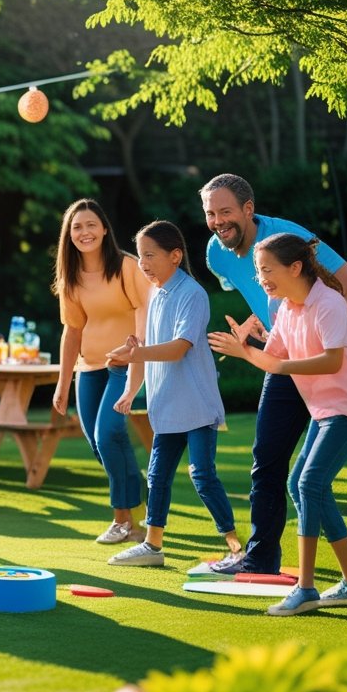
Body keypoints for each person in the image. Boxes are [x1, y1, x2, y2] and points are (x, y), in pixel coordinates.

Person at [199, 174, 347, 574]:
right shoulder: (216, 252)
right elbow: (266, 294)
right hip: (280, 350)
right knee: (267, 459)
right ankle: (261, 558)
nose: (218, 221)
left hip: (318, 360)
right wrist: (254, 324)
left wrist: (333, 341)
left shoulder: (287, 238)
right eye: (210, 213)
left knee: (308, 480)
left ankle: (343, 576)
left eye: (226, 211)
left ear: (248, 209)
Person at [105, 221, 242, 567]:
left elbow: (179, 347)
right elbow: (147, 347)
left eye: (150, 255)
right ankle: (153, 546)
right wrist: (131, 388)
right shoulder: (155, 294)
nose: (144, 263)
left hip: (196, 404)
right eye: (140, 257)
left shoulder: (193, 294)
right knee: (158, 475)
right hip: (165, 403)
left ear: (175, 256)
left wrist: (138, 354)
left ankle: (237, 548)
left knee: (202, 474)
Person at [50, 199, 151, 544]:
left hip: (123, 362)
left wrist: (136, 353)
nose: (84, 232)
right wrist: (63, 382)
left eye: (91, 224)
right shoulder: (71, 276)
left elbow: (145, 310)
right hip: (89, 367)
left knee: (109, 434)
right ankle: (140, 491)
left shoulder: (127, 267)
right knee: (98, 442)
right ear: (69, 235)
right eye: (77, 227)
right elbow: (72, 331)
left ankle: (124, 521)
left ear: (104, 228)